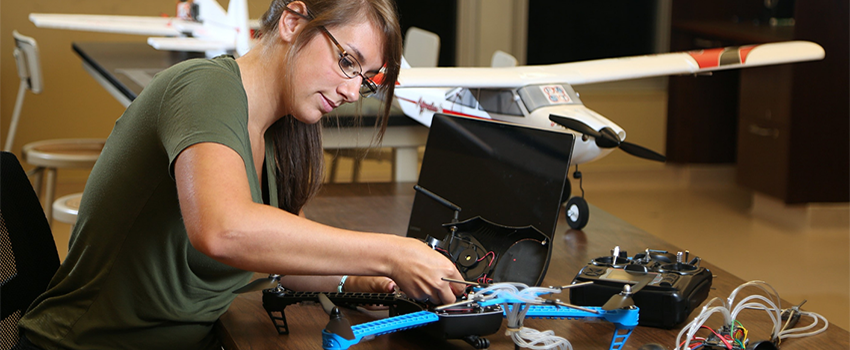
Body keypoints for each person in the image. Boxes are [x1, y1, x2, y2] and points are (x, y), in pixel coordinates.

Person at [16, 0, 464, 349]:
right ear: (292, 22)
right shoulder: (204, 88)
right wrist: (393, 254)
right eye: (348, 62)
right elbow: (223, 229)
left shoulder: (282, 130)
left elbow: (281, 252)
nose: (352, 91)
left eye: (365, 78)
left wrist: (357, 280)